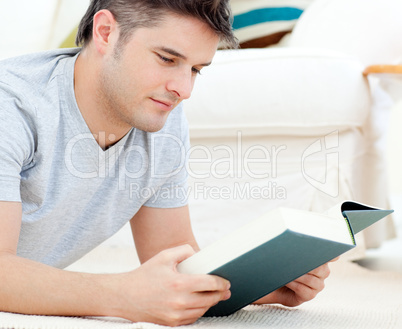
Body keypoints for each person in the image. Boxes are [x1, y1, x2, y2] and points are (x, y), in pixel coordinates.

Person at [0, 0, 332, 326]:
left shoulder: (159, 117)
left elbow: (175, 258)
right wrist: (120, 295)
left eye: (196, 70)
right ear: (105, 32)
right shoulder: (11, 106)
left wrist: (265, 282)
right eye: (167, 58)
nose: (184, 89)